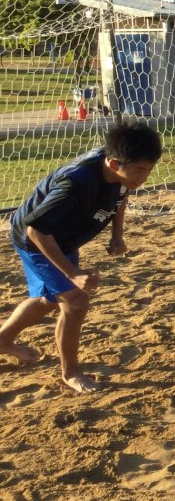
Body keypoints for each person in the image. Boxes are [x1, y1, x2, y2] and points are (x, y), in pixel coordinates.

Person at [0, 120, 162, 392]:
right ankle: (71, 373)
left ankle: (3, 340)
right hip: (37, 241)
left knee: (51, 299)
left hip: (62, 237)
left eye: (149, 169)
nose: (144, 177)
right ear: (114, 163)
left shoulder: (120, 172)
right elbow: (36, 230)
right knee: (75, 302)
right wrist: (72, 273)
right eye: (140, 170)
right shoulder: (76, 184)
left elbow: (121, 195)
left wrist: (117, 235)